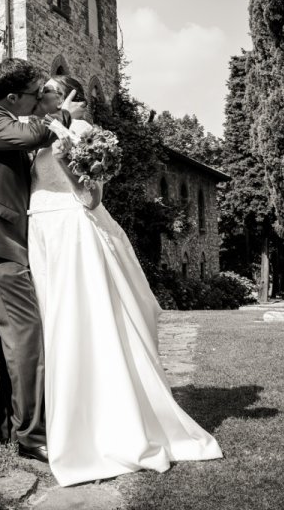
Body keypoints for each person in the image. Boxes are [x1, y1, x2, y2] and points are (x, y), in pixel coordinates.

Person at [28, 75, 223, 486]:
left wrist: (65, 155)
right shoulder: (32, 129)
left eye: (49, 90)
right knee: (55, 322)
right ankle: (58, 416)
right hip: (41, 230)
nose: (42, 94)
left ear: (69, 97)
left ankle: (103, 422)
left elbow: (91, 196)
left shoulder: (81, 132)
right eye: (42, 89)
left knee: (84, 319)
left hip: (71, 229)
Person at [0, 58, 71, 462]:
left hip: (7, 240)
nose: (40, 99)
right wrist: (61, 114)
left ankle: (15, 424)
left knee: (18, 335)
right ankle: (31, 435)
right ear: (12, 97)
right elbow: (31, 138)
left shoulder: (3, 120)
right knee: (26, 334)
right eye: (34, 94)